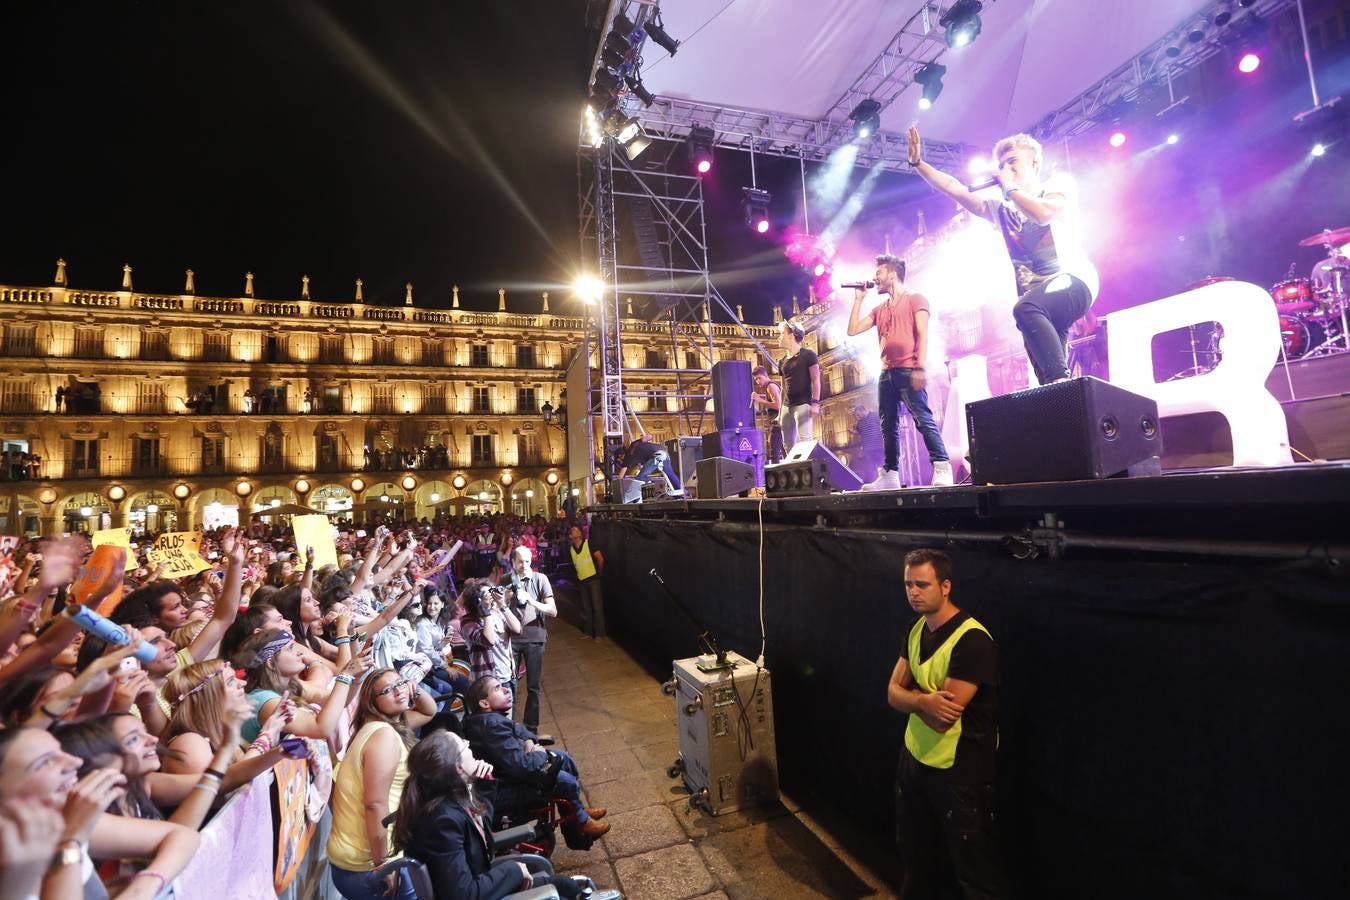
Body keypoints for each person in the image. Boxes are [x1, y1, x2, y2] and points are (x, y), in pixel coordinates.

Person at [907, 126, 1098, 386]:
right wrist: (918, 163)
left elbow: (1044, 213)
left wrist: (1009, 187)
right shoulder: (1000, 210)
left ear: (1034, 163)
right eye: (1001, 165)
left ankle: (1060, 383)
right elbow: (956, 189)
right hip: (1040, 299)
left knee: (1026, 311)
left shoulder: (1055, 185)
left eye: (1013, 162)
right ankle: (1062, 400)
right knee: (1046, 375)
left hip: (1073, 280)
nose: (1006, 169)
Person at [886, 548, 1005, 899]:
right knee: (916, 858)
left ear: (946, 586)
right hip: (914, 761)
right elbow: (891, 694)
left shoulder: (972, 642)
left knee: (974, 872)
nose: (913, 592)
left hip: (959, 775)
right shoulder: (915, 628)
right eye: (908, 584)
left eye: (922, 584)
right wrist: (923, 699)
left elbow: (942, 720)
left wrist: (912, 697)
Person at [393, 730, 589, 899]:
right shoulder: (442, 821)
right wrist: (513, 870)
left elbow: (481, 838)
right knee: (567, 888)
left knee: (565, 886)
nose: (470, 749)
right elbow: (463, 895)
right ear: (457, 766)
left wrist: (486, 784)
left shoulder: (445, 799)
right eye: (465, 745)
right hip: (480, 889)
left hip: (481, 880)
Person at [327, 667, 437, 900]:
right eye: (387, 690)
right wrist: (382, 864)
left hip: (357, 859)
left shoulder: (382, 726)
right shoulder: (383, 736)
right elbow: (375, 804)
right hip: (368, 863)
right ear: (372, 702)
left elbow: (430, 711)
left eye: (400, 683)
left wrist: (412, 689)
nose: (398, 692)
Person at [847, 253, 953, 489]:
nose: (875, 278)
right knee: (888, 426)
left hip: (908, 368)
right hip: (886, 374)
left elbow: (923, 334)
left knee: (923, 419)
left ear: (892, 274)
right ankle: (891, 475)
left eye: (879, 273)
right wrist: (858, 299)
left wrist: (920, 367)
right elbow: (853, 330)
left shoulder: (916, 298)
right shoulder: (879, 309)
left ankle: (942, 466)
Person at [464, 677, 609, 842]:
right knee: (564, 781)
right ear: (484, 703)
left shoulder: (489, 719)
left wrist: (528, 741)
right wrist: (537, 752)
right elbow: (521, 766)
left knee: (564, 758)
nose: (506, 690)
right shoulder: (491, 727)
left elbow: (517, 729)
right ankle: (579, 826)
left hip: (514, 771)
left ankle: (577, 812)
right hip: (505, 786)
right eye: (497, 688)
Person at [777, 321, 820, 448]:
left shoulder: (808, 355)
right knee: (787, 444)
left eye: (782, 333)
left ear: (792, 335)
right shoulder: (782, 361)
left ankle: (807, 467)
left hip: (802, 404)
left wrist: (815, 403)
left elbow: (816, 379)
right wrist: (780, 413)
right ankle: (792, 467)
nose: (779, 337)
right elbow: (783, 387)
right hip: (786, 406)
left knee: (805, 441)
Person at [567, 525, 605, 640]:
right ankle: (588, 632)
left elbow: (600, 559)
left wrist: (598, 574)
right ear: (570, 536)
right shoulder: (571, 549)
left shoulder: (589, 543)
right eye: (573, 531)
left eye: (577, 530)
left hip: (593, 579)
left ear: (580, 534)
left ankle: (599, 634)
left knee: (597, 607)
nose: (575, 532)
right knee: (586, 608)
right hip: (582, 581)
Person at [619, 434, 684, 499]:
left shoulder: (627, 458)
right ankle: (682, 493)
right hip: (664, 452)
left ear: (622, 455)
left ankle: (655, 487)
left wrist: (617, 490)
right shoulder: (633, 444)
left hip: (657, 456)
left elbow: (620, 478)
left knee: (640, 477)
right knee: (671, 475)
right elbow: (650, 436)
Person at [752, 365, 785, 463]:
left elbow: (778, 405)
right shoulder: (769, 387)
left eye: (759, 378)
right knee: (782, 450)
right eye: (756, 379)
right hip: (778, 423)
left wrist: (760, 400)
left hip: (778, 422)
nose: (758, 381)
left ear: (766, 376)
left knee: (774, 452)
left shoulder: (771, 387)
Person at [848, 403, 885, 481]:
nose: (857, 417)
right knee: (870, 469)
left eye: (858, 414)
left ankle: (885, 483)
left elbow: (884, 425)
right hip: (867, 450)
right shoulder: (859, 423)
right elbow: (859, 432)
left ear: (863, 411)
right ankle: (873, 485)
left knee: (883, 467)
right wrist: (853, 432)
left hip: (879, 447)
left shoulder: (876, 415)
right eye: (856, 415)